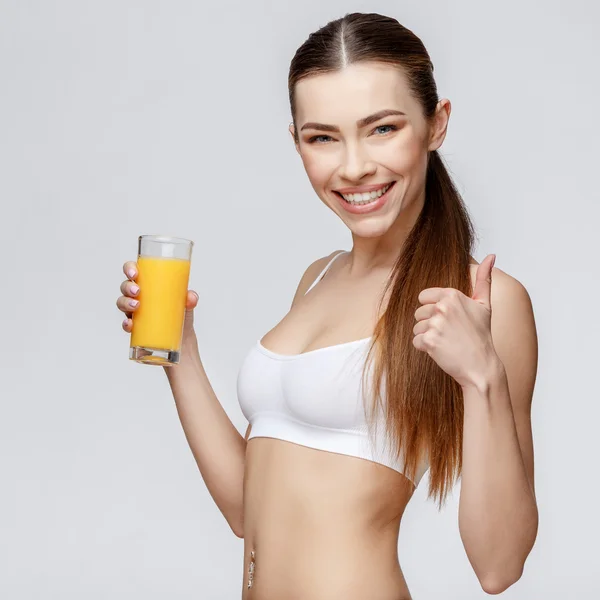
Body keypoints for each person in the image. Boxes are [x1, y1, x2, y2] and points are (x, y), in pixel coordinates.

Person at [116, 12, 538, 599]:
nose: (354, 165)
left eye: (383, 129)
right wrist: (178, 350)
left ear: (436, 123)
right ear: (296, 142)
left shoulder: (480, 299)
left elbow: (501, 564)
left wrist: (483, 377)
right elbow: (250, 511)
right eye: (323, 137)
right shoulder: (318, 278)